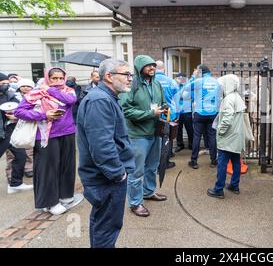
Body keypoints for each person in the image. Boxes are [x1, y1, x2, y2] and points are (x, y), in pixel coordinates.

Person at [77, 59, 135, 248]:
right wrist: (118, 174)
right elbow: (102, 146)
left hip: (107, 177)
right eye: (126, 75)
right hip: (106, 179)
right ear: (109, 76)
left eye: (130, 75)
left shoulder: (105, 97)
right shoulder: (100, 100)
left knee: (105, 224)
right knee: (106, 227)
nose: (129, 79)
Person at [14, 67, 77, 215]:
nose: (58, 81)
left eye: (61, 78)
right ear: (48, 78)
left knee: (66, 166)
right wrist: (43, 114)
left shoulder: (68, 91)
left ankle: (65, 195)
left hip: (67, 132)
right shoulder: (36, 92)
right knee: (48, 169)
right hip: (45, 135)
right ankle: (50, 203)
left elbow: (71, 100)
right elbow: (19, 111)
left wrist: (50, 90)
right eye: (54, 78)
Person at [119, 55, 168, 218]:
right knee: (136, 171)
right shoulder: (132, 85)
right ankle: (135, 203)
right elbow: (125, 109)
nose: (152, 68)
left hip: (155, 132)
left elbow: (162, 102)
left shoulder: (156, 84)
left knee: (152, 166)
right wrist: (150, 113)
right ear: (139, 67)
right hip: (137, 135)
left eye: (153, 66)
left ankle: (148, 192)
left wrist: (165, 109)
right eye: (148, 66)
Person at [207, 74, 246, 199]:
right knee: (236, 161)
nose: (221, 87)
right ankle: (234, 185)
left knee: (222, 163)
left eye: (223, 85)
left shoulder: (228, 99)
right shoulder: (237, 97)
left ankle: (218, 189)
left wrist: (221, 131)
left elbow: (227, 119)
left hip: (228, 137)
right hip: (236, 136)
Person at [0, 73, 31, 193]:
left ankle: (15, 184)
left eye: (7, 83)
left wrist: (15, 115)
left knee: (21, 156)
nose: (6, 86)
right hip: (1, 133)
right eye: (2, 84)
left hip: (10, 131)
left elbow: (19, 109)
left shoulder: (11, 95)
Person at [187, 65, 221, 169]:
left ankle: (194, 161)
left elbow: (187, 87)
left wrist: (193, 76)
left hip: (200, 113)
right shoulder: (216, 82)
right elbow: (219, 97)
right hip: (212, 113)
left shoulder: (198, 82)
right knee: (212, 136)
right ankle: (213, 161)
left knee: (197, 136)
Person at [6, 78, 35, 181]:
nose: (26, 88)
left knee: (29, 149)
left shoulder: (36, 97)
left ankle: (29, 168)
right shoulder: (12, 97)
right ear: (19, 87)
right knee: (12, 151)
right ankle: (11, 173)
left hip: (28, 125)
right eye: (23, 86)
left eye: (28, 86)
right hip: (12, 126)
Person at [154, 60, 179, 168]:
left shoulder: (151, 81)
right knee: (167, 137)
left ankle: (156, 162)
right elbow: (176, 98)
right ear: (163, 68)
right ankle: (166, 162)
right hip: (169, 113)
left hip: (155, 112)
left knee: (156, 137)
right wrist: (177, 113)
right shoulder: (171, 81)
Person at [174, 72, 193, 152]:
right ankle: (179, 144)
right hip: (178, 111)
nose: (180, 80)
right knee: (178, 129)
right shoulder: (175, 86)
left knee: (190, 129)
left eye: (182, 78)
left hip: (187, 110)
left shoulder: (189, 86)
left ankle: (191, 144)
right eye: (178, 78)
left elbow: (184, 96)